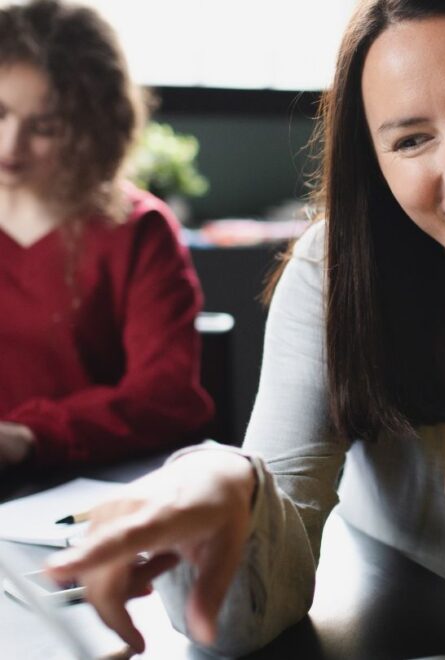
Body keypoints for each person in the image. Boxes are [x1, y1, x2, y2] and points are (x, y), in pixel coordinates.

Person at [44, 0, 445, 657]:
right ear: (374, 163)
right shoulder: (333, 276)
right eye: (412, 140)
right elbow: (254, 607)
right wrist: (227, 486)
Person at [0, 0, 213, 472]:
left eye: (44, 127)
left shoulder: (138, 230)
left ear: (88, 129)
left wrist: (27, 436)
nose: (10, 146)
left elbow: (166, 395)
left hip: (91, 488)